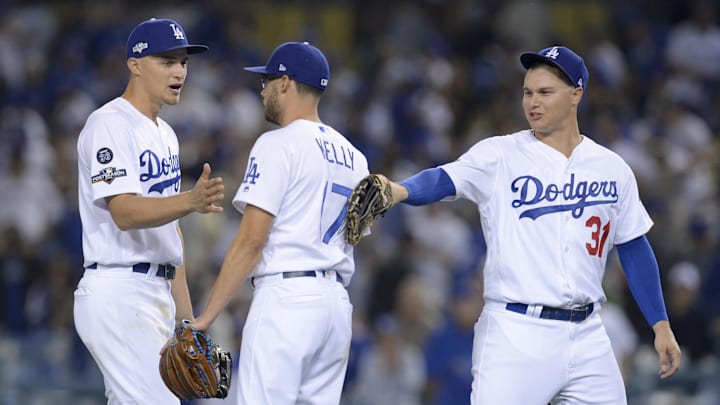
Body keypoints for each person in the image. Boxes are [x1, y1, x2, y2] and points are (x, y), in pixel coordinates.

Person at [371, 45, 682, 404]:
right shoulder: (500, 154)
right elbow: (444, 179)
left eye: (545, 93)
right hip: (516, 332)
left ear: (576, 94)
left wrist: (661, 326)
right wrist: (399, 190)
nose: (533, 102)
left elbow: (633, 247)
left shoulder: (612, 168)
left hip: (588, 334)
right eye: (528, 93)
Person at [187, 42, 370, 404]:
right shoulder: (356, 157)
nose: (263, 89)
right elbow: (356, 235)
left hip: (287, 301)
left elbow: (252, 241)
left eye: (268, 81)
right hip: (335, 307)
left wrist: (206, 316)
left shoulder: (278, 143)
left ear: (286, 83)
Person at [73, 18, 224, 404]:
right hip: (119, 287)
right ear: (135, 64)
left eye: (183, 63)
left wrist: (185, 320)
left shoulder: (166, 135)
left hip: (155, 292)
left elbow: (169, 233)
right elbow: (124, 212)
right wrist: (190, 201)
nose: (179, 72)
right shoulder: (109, 123)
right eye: (166, 61)